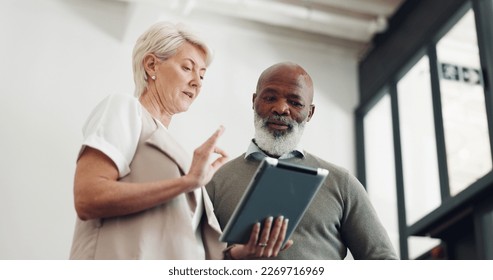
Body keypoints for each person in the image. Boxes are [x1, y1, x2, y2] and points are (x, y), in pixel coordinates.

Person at [69, 21, 289, 260]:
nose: (197, 82)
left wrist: (241, 253)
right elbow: (88, 197)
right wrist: (187, 182)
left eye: (202, 75)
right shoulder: (125, 108)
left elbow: (190, 247)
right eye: (187, 68)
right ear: (151, 65)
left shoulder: (179, 156)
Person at [206, 62, 399, 260]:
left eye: (295, 103)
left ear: (310, 113)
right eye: (270, 98)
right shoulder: (215, 182)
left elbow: (384, 261)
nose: (281, 109)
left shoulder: (341, 183)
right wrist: (233, 256)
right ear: (254, 101)